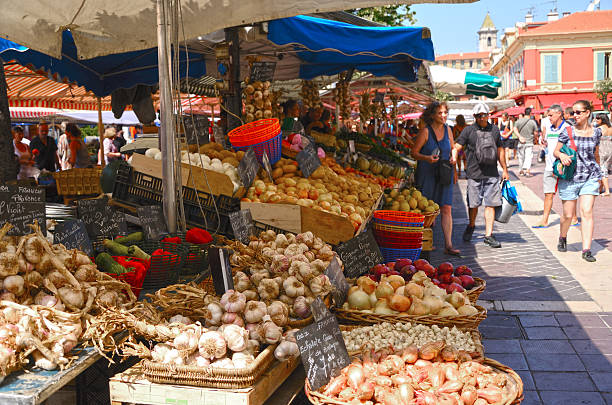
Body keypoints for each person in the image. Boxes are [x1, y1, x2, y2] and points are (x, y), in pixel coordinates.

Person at [452, 102, 509, 248]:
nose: (482, 118)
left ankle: (488, 235)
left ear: (488, 115)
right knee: (474, 203)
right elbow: (458, 146)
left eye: (484, 115)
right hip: (474, 173)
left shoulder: (495, 130)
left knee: (490, 204)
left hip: (491, 174)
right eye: (479, 116)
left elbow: (500, 150)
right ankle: (471, 226)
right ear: (475, 116)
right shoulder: (468, 131)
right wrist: (453, 157)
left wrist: (505, 169)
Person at [553, 100, 602, 262]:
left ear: (587, 113)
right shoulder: (567, 131)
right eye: (573, 112)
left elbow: (596, 155)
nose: (575, 115)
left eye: (578, 112)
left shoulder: (596, 133)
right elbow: (556, 151)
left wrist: (601, 176)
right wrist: (562, 155)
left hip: (590, 176)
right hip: (570, 178)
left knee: (586, 212)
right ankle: (563, 236)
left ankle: (586, 249)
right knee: (568, 215)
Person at [412, 101, 460, 256]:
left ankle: (448, 244)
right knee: (427, 209)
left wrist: (454, 159)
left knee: (446, 208)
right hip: (427, 174)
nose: (443, 115)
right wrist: (426, 158)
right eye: (440, 113)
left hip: (444, 173)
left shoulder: (448, 130)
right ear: (432, 115)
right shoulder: (425, 131)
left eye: (445, 112)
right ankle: (426, 242)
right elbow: (414, 153)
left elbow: (453, 148)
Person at [532, 105, 568, 228]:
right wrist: (545, 143)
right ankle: (545, 219)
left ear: (559, 114)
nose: (549, 117)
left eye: (551, 115)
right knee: (548, 193)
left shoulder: (567, 128)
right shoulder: (549, 128)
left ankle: (572, 218)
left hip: (563, 167)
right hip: (549, 166)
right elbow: (548, 143)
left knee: (566, 195)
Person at [513, 108, 538, 177]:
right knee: (528, 157)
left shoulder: (518, 121)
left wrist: (519, 136)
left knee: (521, 157)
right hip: (529, 142)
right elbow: (535, 132)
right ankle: (527, 171)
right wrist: (535, 139)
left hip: (521, 142)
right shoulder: (532, 122)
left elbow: (514, 129)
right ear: (530, 113)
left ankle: (521, 171)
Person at [594, 113, 612, 196]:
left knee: (602, 169)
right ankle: (600, 188)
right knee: (605, 168)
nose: (596, 120)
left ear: (602, 119)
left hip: (602, 149)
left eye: (598, 118)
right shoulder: (610, 128)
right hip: (610, 149)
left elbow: (594, 140)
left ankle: (607, 190)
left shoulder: (599, 129)